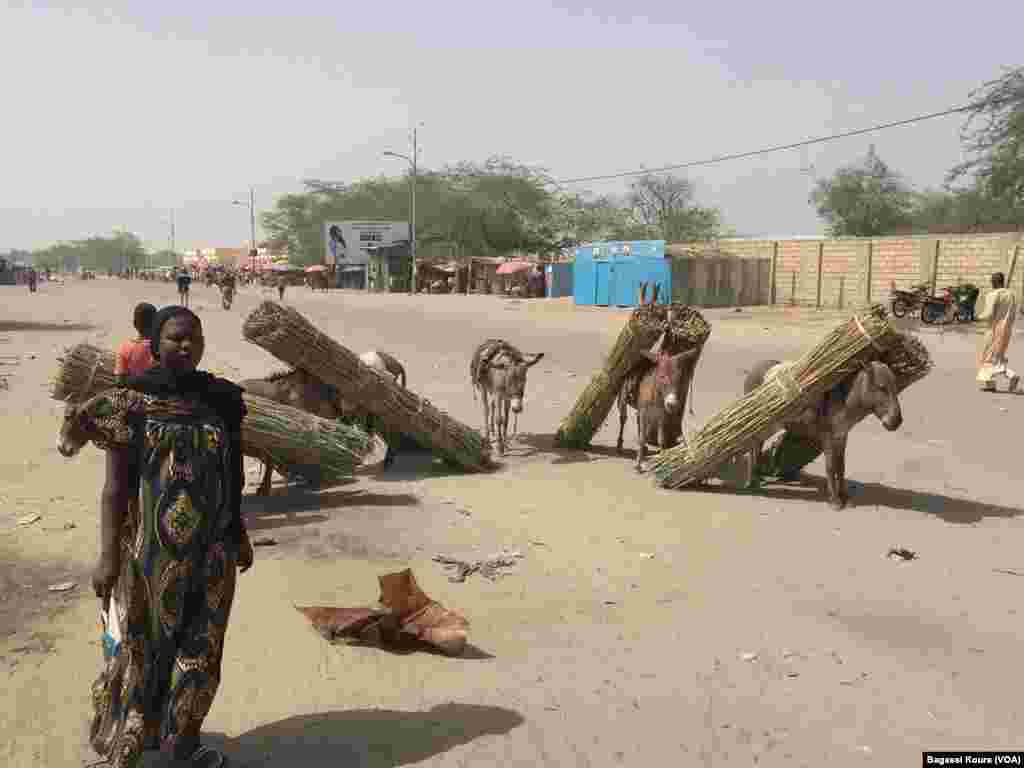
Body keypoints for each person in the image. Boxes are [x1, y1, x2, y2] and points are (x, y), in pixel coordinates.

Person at [88, 306, 253, 768]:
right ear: (156, 344)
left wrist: (238, 531)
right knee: (144, 647)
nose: (187, 346)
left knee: (203, 647)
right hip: (148, 557)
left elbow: (233, 473)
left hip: (212, 552)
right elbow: (115, 487)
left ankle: (184, 742)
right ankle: (131, 743)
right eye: (177, 338)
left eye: (194, 339)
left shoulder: (221, 400)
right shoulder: (130, 402)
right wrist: (107, 556)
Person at [976, 271, 1019, 393]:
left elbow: (988, 314)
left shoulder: (993, 294)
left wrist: (977, 317)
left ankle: (1009, 376)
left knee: (987, 357)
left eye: (992, 281)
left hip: (994, 330)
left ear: (994, 282)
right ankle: (994, 383)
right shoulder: (1011, 294)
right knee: (997, 357)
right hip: (1006, 330)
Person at [114, 303, 157, 385]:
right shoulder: (162, 347)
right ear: (156, 324)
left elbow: (119, 381)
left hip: (137, 395)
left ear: (134, 323)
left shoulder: (124, 348)